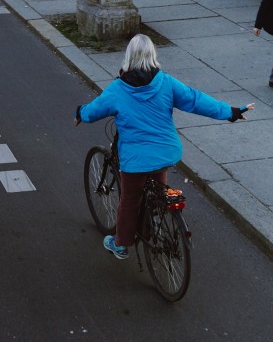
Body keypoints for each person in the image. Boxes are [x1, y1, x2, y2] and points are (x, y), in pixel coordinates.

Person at [75, 34, 254, 260]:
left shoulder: (117, 90)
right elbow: (196, 100)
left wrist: (79, 113)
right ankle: (156, 221)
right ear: (152, 55)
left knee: (130, 200)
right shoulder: (166, 82)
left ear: (128, 56)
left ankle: (120, 245)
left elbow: (93, 111)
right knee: (158, 192)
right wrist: (231, 112)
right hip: (166, 153)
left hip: (136, 160)